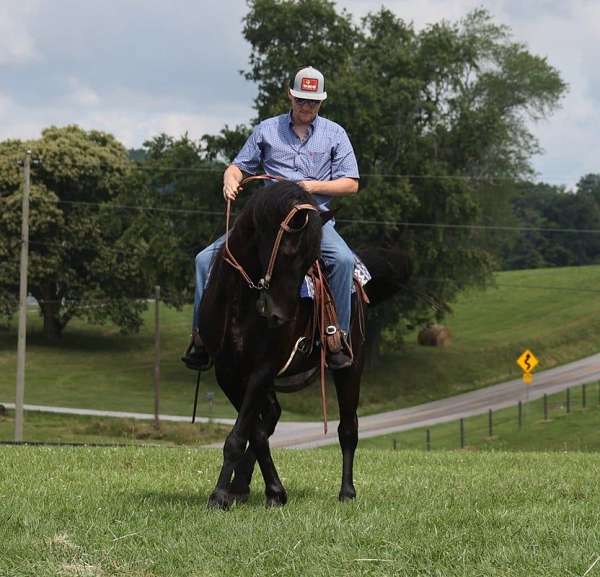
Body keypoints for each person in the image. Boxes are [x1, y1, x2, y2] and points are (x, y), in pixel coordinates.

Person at [183, 65, 359, 371]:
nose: (307, 107)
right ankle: (201, 335)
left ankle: (336, 335)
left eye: (313, 102)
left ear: (321, 102)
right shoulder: (266, 130)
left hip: (311, 222)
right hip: (266, 223)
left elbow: (350, 183)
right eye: (302, 100)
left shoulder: (335, 134)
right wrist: (230, 178)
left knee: (343, 260)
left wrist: (311, 186)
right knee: (202, 260)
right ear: (290, 96)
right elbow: (238, 166)